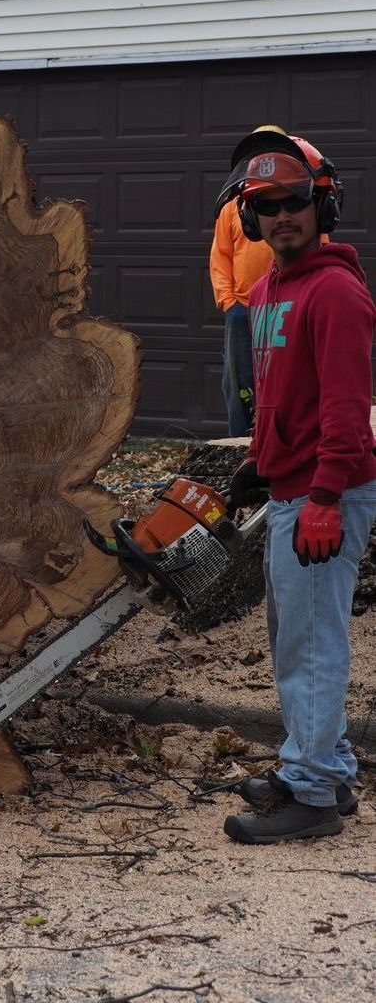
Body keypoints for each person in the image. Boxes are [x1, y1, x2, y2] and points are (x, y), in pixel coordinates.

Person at [215, 129, 376, 844]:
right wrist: (264, 459)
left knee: (311, 645)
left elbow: (346, 409)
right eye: (266, 205)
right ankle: (329, 768)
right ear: (249, 219)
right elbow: (283, 396)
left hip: (325, 494)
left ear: (323, 206)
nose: (282, 216)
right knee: (293, 636)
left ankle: (310, 795)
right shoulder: (267, 289)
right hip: (292, 485)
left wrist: (323, 495)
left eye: (294, 202)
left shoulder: (336, 292)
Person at [210, 192, 274, 435]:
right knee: (239, 383)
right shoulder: (232, 208)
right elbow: (221, 257)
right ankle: (239, 447)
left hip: (288, 306)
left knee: (286, 379)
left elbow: (320, 247)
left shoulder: (298, 205)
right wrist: (229, 302)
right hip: (242, 310)